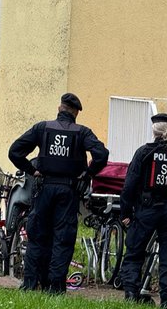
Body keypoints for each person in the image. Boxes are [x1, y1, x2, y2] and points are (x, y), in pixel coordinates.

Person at [8, 93, 108, 294]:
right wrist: (88, 174)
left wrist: (31, 169)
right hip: (68, 191)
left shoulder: (42, 128)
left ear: (59, 108)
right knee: (62, 238)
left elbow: (15, 151)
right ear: (75, 113)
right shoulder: (82, 132)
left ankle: (31, 283)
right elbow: (101, 155)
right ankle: (56, 286)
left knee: (37, 236)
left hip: (43, 188)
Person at [119, 113, 167, 309]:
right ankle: (166, 301)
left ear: (154, 130)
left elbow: (129, 185)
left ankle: (131, 294)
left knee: (135, 252)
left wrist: (125, 213)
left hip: (146, 209)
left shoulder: (144, 152)